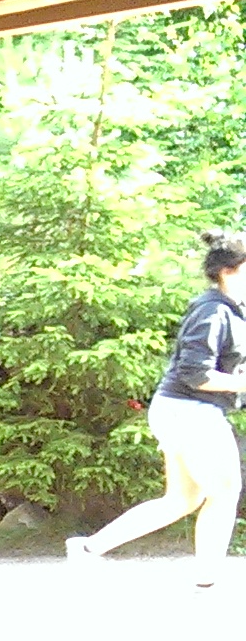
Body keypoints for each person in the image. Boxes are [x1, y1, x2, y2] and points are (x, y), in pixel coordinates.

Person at [67, 230, 246, 587]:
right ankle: (207, 580)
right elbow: (196, 374)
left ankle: (86, 549)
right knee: (225, 491)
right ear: (229, 271)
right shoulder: (213, 312)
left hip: (179, 410)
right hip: (191, 411)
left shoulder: (228, 311)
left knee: (182, 499)